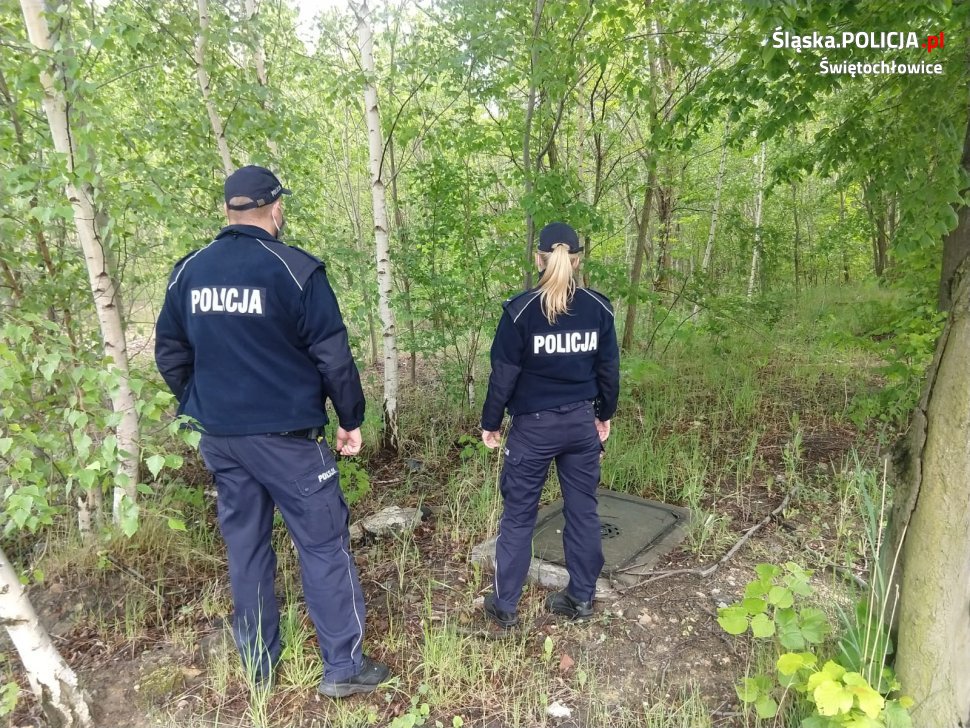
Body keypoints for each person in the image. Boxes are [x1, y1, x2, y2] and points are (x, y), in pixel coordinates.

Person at [154, 165, 390, 696]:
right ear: (276, 209)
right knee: (325, 545)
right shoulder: (295, 271)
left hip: (224, 440)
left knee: (247, 549)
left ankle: (261, 664)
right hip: (289, 441)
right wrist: (351, 418)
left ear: (227, 210)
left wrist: (201, 404)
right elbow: (333, 356)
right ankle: (343, 668)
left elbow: (170, 354)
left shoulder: (187, 272)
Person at [479, 221, 620, 628]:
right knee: (583, 511)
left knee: (519, 516)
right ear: (577, 260)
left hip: (533, 429)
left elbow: (503, 374)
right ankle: (581, 599)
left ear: (537, 258)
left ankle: (505, 606)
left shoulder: (520, 310)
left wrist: (491, 422)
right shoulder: (599, 308)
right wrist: (603, 414)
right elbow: (609, 371)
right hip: (580, 426)